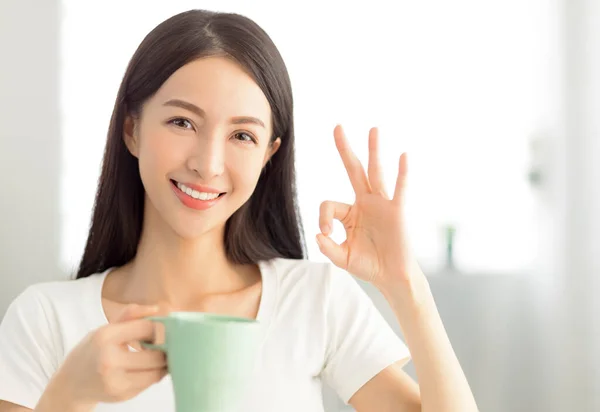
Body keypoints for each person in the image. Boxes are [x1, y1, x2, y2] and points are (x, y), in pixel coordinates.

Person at [0, 9, 478, 412]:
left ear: (269, 154)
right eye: (182, 121)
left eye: (242, 135)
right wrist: (68, 394)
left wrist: (406, 284)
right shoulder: (45, 318)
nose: (207, 165)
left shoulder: (314, 300)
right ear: (132, 130)